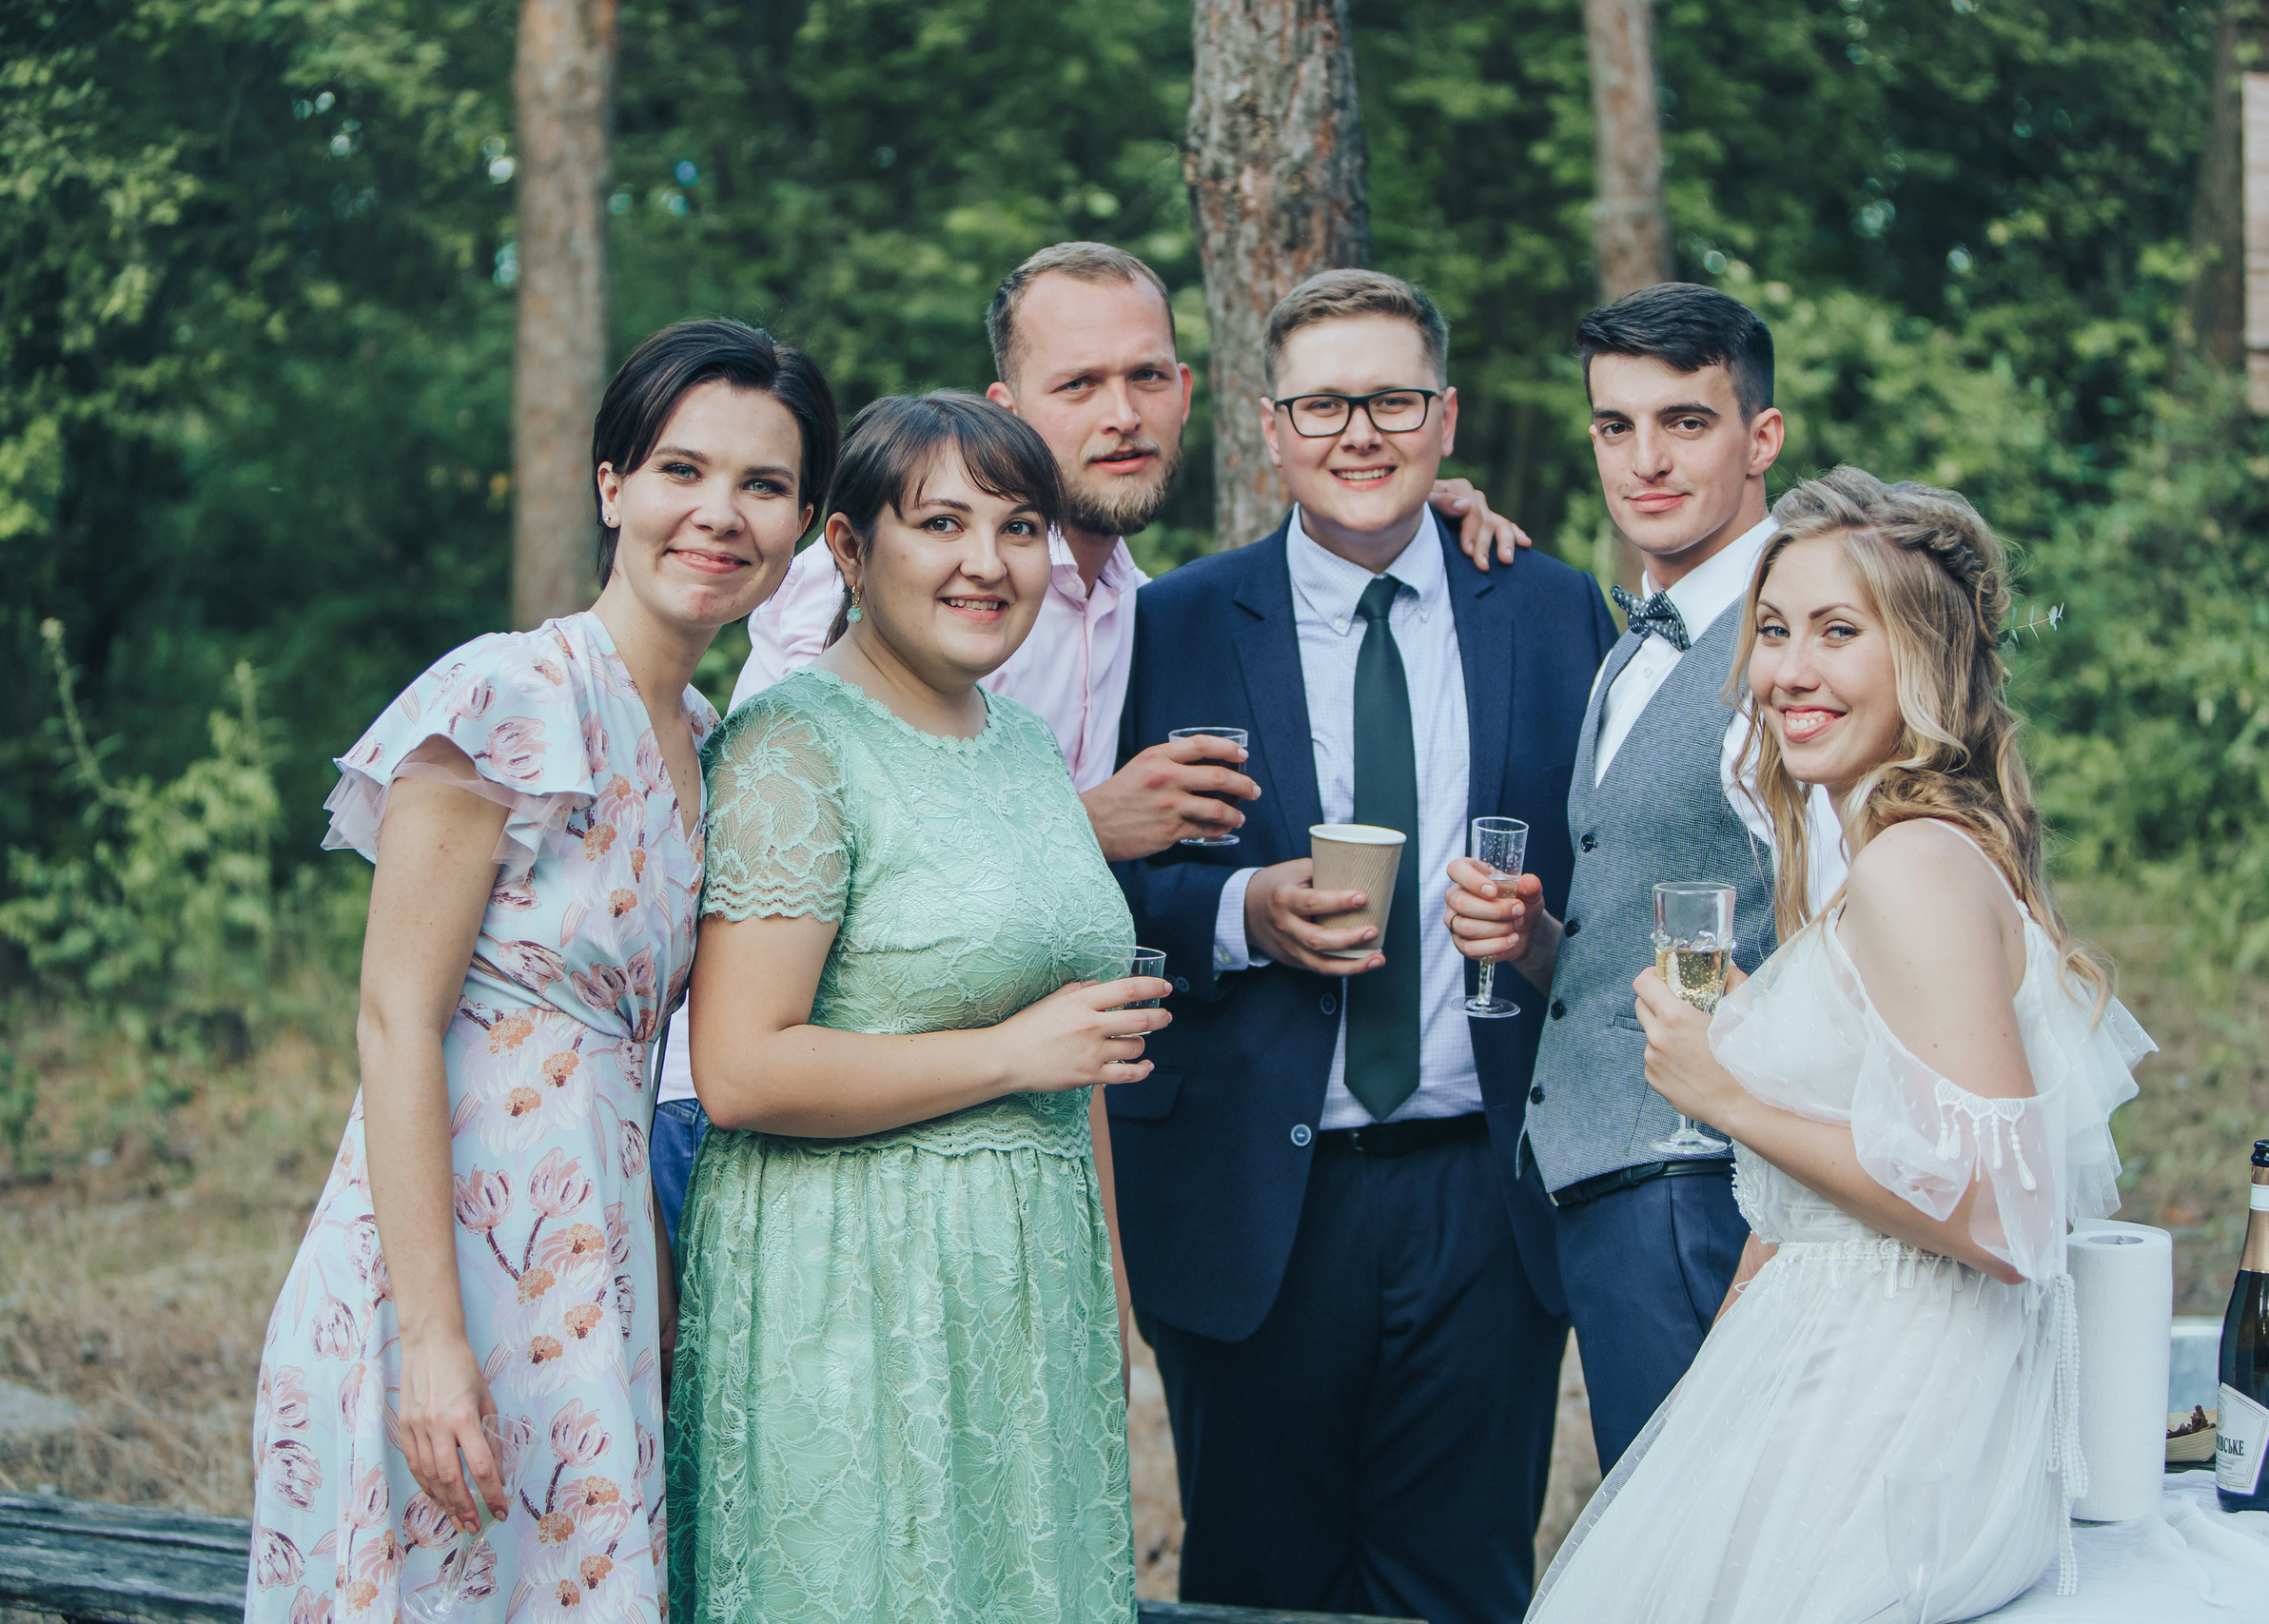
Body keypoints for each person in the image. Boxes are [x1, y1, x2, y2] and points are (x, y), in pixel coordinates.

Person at [648, 240, 1532, 1257]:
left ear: (1186, 392)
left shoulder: (1156, 615)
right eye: (1078, 385)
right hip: (787, 1141)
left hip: (1009, 1147)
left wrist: (1426, 510)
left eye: (1146, 376)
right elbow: (802, 832)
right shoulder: (868, 588)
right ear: (1006, 403)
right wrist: (1086, 823)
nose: (1122, 414)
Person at [245, 320, 837, 1622]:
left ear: (803, 522)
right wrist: (437, 1345)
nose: (720, 515)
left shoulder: (708, 739)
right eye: (682, 470)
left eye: (764, 485)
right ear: (612, 483)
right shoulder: (512, 692)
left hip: (593, 1273)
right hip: (442, 1268)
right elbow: (396, 1019)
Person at [1527, 467, 2152, 1622]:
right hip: (1811, 1357)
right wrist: (1707, 1413)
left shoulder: (1912, 865)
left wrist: (1726, 1095)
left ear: (1924, 659)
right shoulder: (1871, 854)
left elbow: (2007, 1218)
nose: (1787, 672)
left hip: (1899, 1400)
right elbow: (1803, 1208)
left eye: (1835, 632)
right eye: (1771, 631)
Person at [1111, 269, 1612, 1624]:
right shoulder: (1168, 625)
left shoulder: (1554, 612)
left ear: (1444, 421)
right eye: (1323, 402)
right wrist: (1239, 913)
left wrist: (1549, 937)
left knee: (1461, 1582)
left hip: (1479, 1189)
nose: (1359, 432)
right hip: (1251, 1195)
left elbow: (1619, 880)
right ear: (1270, 430)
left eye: (1392, 398)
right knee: (1256, 1588)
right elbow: (1084, 885)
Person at [665, 392, 1165, 1622]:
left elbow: (1075, 1036)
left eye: (1017, 527)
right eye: (940, 523)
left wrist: (1108, 1305)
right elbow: (739, 1066)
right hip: (856, 1283)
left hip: (1025, 1289)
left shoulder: (1027, 744)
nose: (985, 563)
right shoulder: (794, 748)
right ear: (847, 547)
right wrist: (1006, 1052)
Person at [1444, 281, 1845, 1474]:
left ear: (1759, 437)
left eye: (1684, 421)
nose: (1644, 461)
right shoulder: (1637, 643)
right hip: (1601, 1191)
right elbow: (1690, 929)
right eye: (1614, 427)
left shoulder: (1805, 643)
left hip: (1709, 1191)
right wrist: (1544, 948)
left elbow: (1848, 928)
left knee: (1710, 1552)